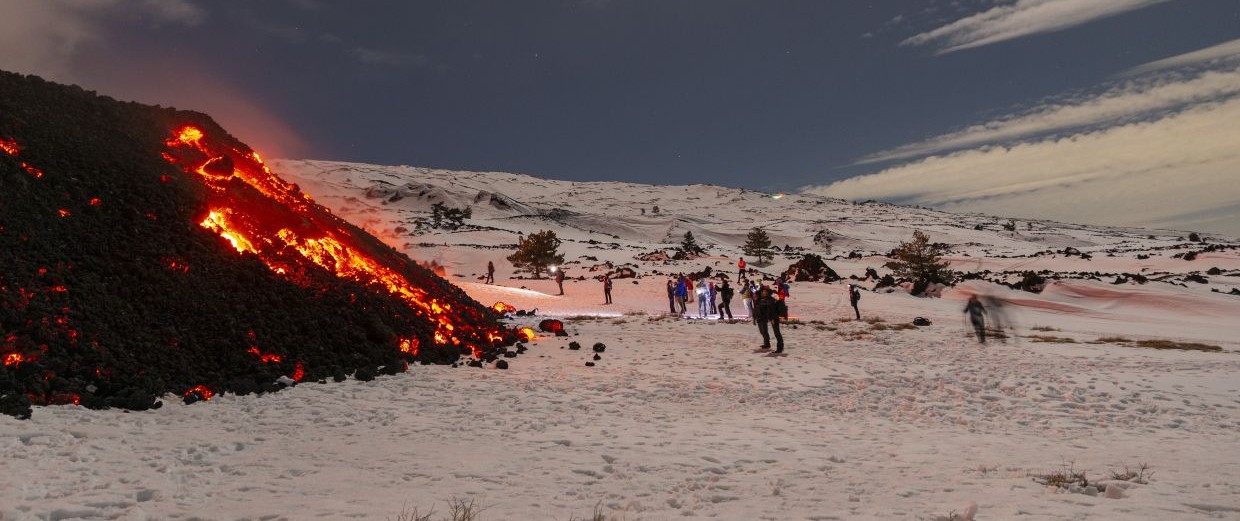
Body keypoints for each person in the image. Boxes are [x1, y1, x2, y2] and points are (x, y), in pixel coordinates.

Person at [754, 287, 784, 353]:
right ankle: (767, 344)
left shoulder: (771, 299)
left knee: (777, 333)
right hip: (764, 317)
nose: (764, 293)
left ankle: (780, 348)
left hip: (774, 317)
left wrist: (772, 319)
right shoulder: (760, 299)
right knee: (763, 331)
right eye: (763, 291)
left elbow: (772, 310)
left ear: (768, 292)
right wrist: (755, 317)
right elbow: (757, 309)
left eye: (765, 292)